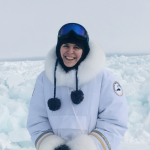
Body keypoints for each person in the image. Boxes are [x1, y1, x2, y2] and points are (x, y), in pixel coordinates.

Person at [27, 23, 128, 150]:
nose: (70, 51)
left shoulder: (104, 78)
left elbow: (115, 121)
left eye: (77, 47)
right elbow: (36, 120)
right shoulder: (44, 79)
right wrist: (52, 146)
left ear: (84, 50)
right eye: (65, 46)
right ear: (59, 48)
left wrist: (88, 147)